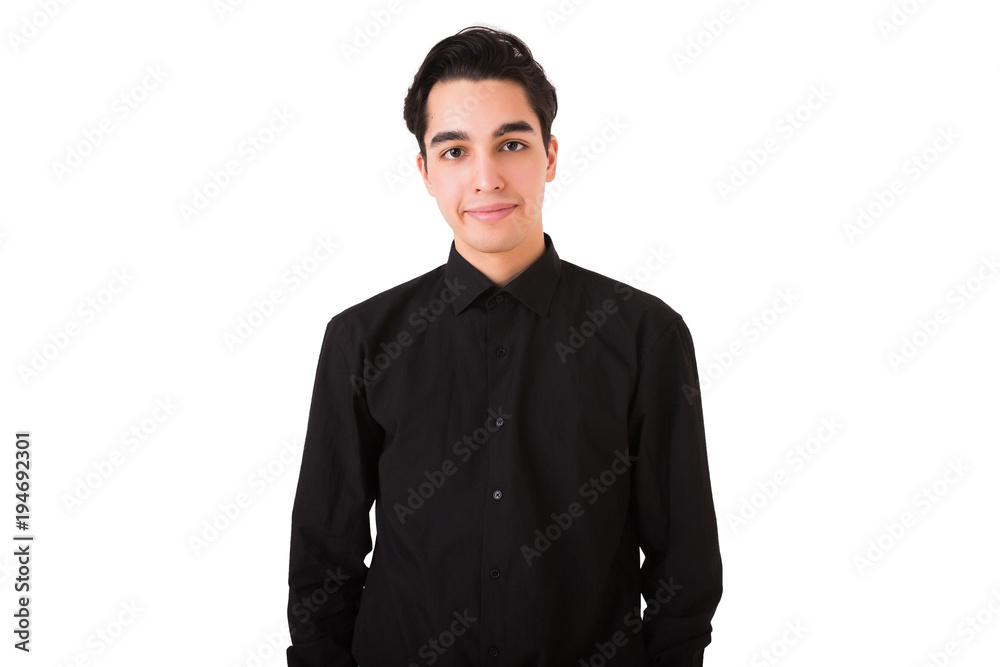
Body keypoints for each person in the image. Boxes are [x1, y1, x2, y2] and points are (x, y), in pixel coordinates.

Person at [286, 25, 722, 666]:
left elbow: (684, 562)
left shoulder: (644, 335)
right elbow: (324, 560)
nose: (486, 178)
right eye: (455, 151)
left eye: (511, 144)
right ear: (425, 171)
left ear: (550, 156)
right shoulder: (360, 339)